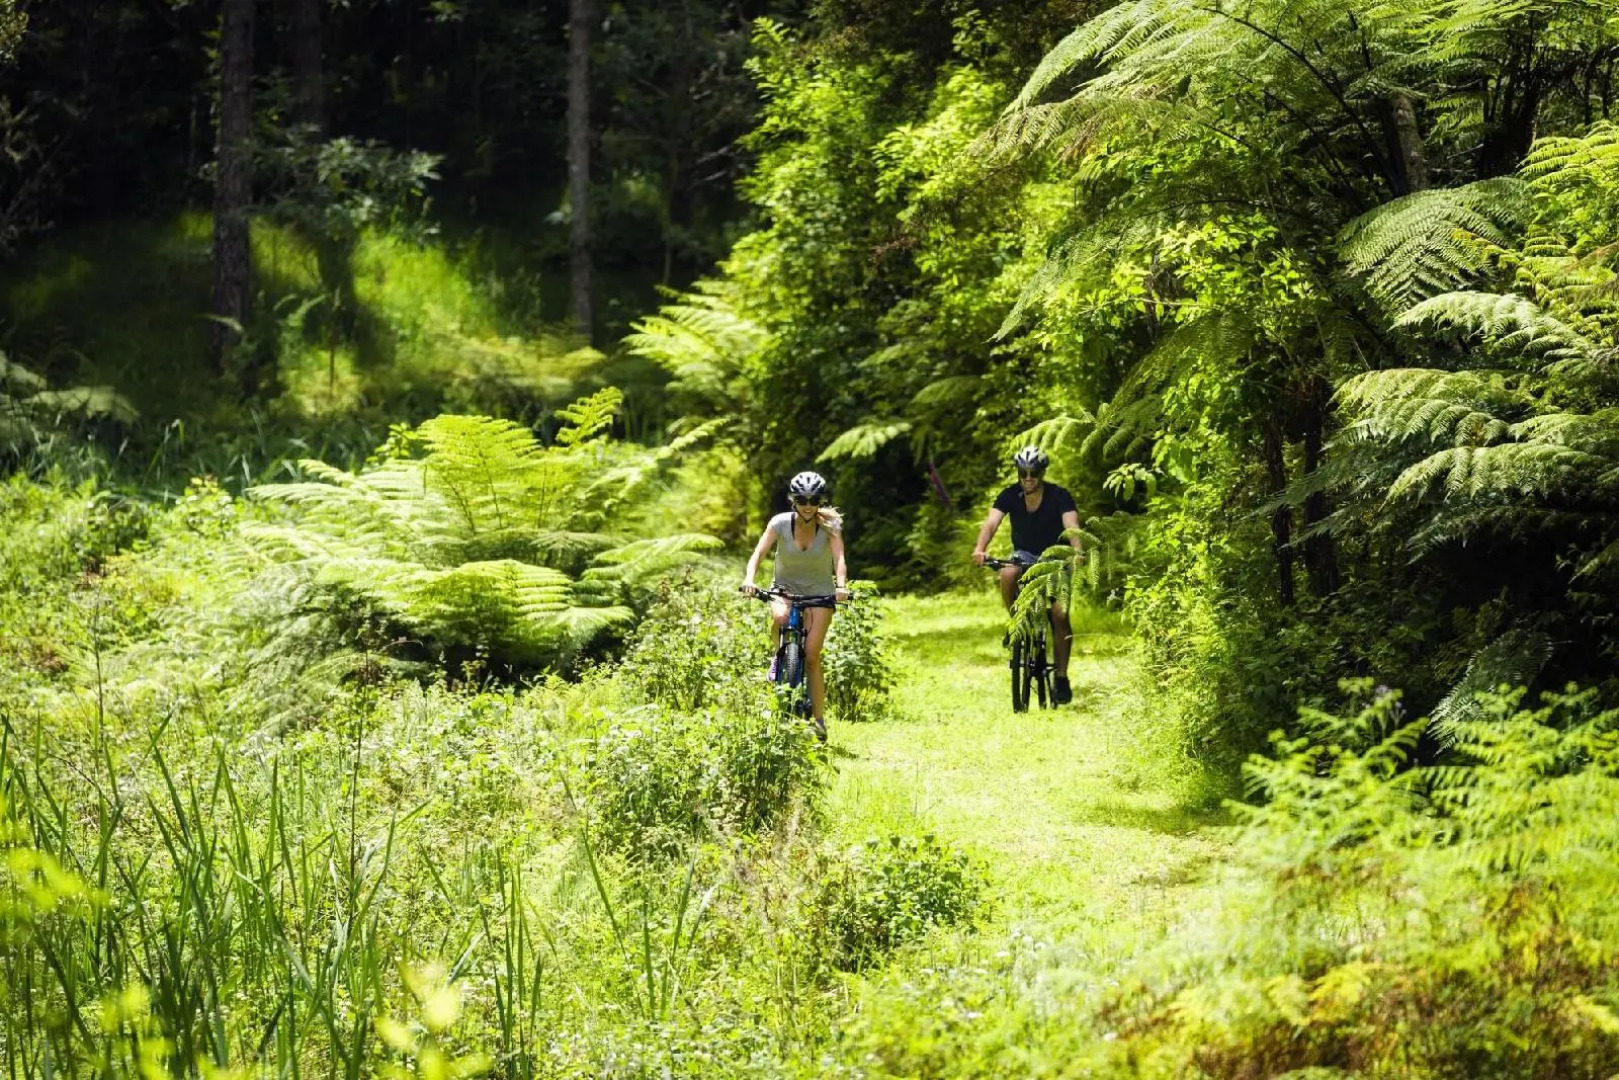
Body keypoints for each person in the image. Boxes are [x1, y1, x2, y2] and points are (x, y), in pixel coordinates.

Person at [741, 470, 851, 737]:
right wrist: (749, 579)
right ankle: (779, 660)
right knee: (780, 619)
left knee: (812, 656)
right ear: (793, 500)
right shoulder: (779, 523)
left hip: (819, 592)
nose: (808, 506)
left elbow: (839, 560)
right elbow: (758, 552)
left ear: (820, 501)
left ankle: (818, 720)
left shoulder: (830, 526)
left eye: (814, 500)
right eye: (802, 500)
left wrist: (841, 587)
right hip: (785, 588)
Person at [970, 446, 1082, 705]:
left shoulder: (1059, 495)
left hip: (1056, 558)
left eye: (1033, 473)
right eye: (1023, 472)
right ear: (1019, 473)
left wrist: (1077, 551)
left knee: (1059, 615)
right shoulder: (1010, 494)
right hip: (1025, 556)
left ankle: (1062, 677)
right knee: (1008, 572)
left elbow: (1072, 525)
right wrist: (980, 549)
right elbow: (991, 523)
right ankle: (1016, 623)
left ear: (1041, 473)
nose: (1028, 478)